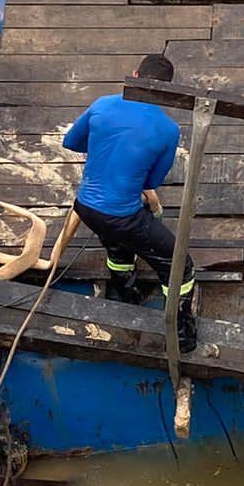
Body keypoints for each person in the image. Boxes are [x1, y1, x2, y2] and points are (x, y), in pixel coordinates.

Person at [62, 54, 197, 352]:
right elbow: (151, 182)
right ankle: (182, 330)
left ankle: (127, 290)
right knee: (179, 265)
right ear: (166, 91)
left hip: (85, 207)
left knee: (117, 246)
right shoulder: (168, 130)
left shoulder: (102, 104)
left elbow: (70, 142)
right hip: (123, 215)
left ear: (134, 76)